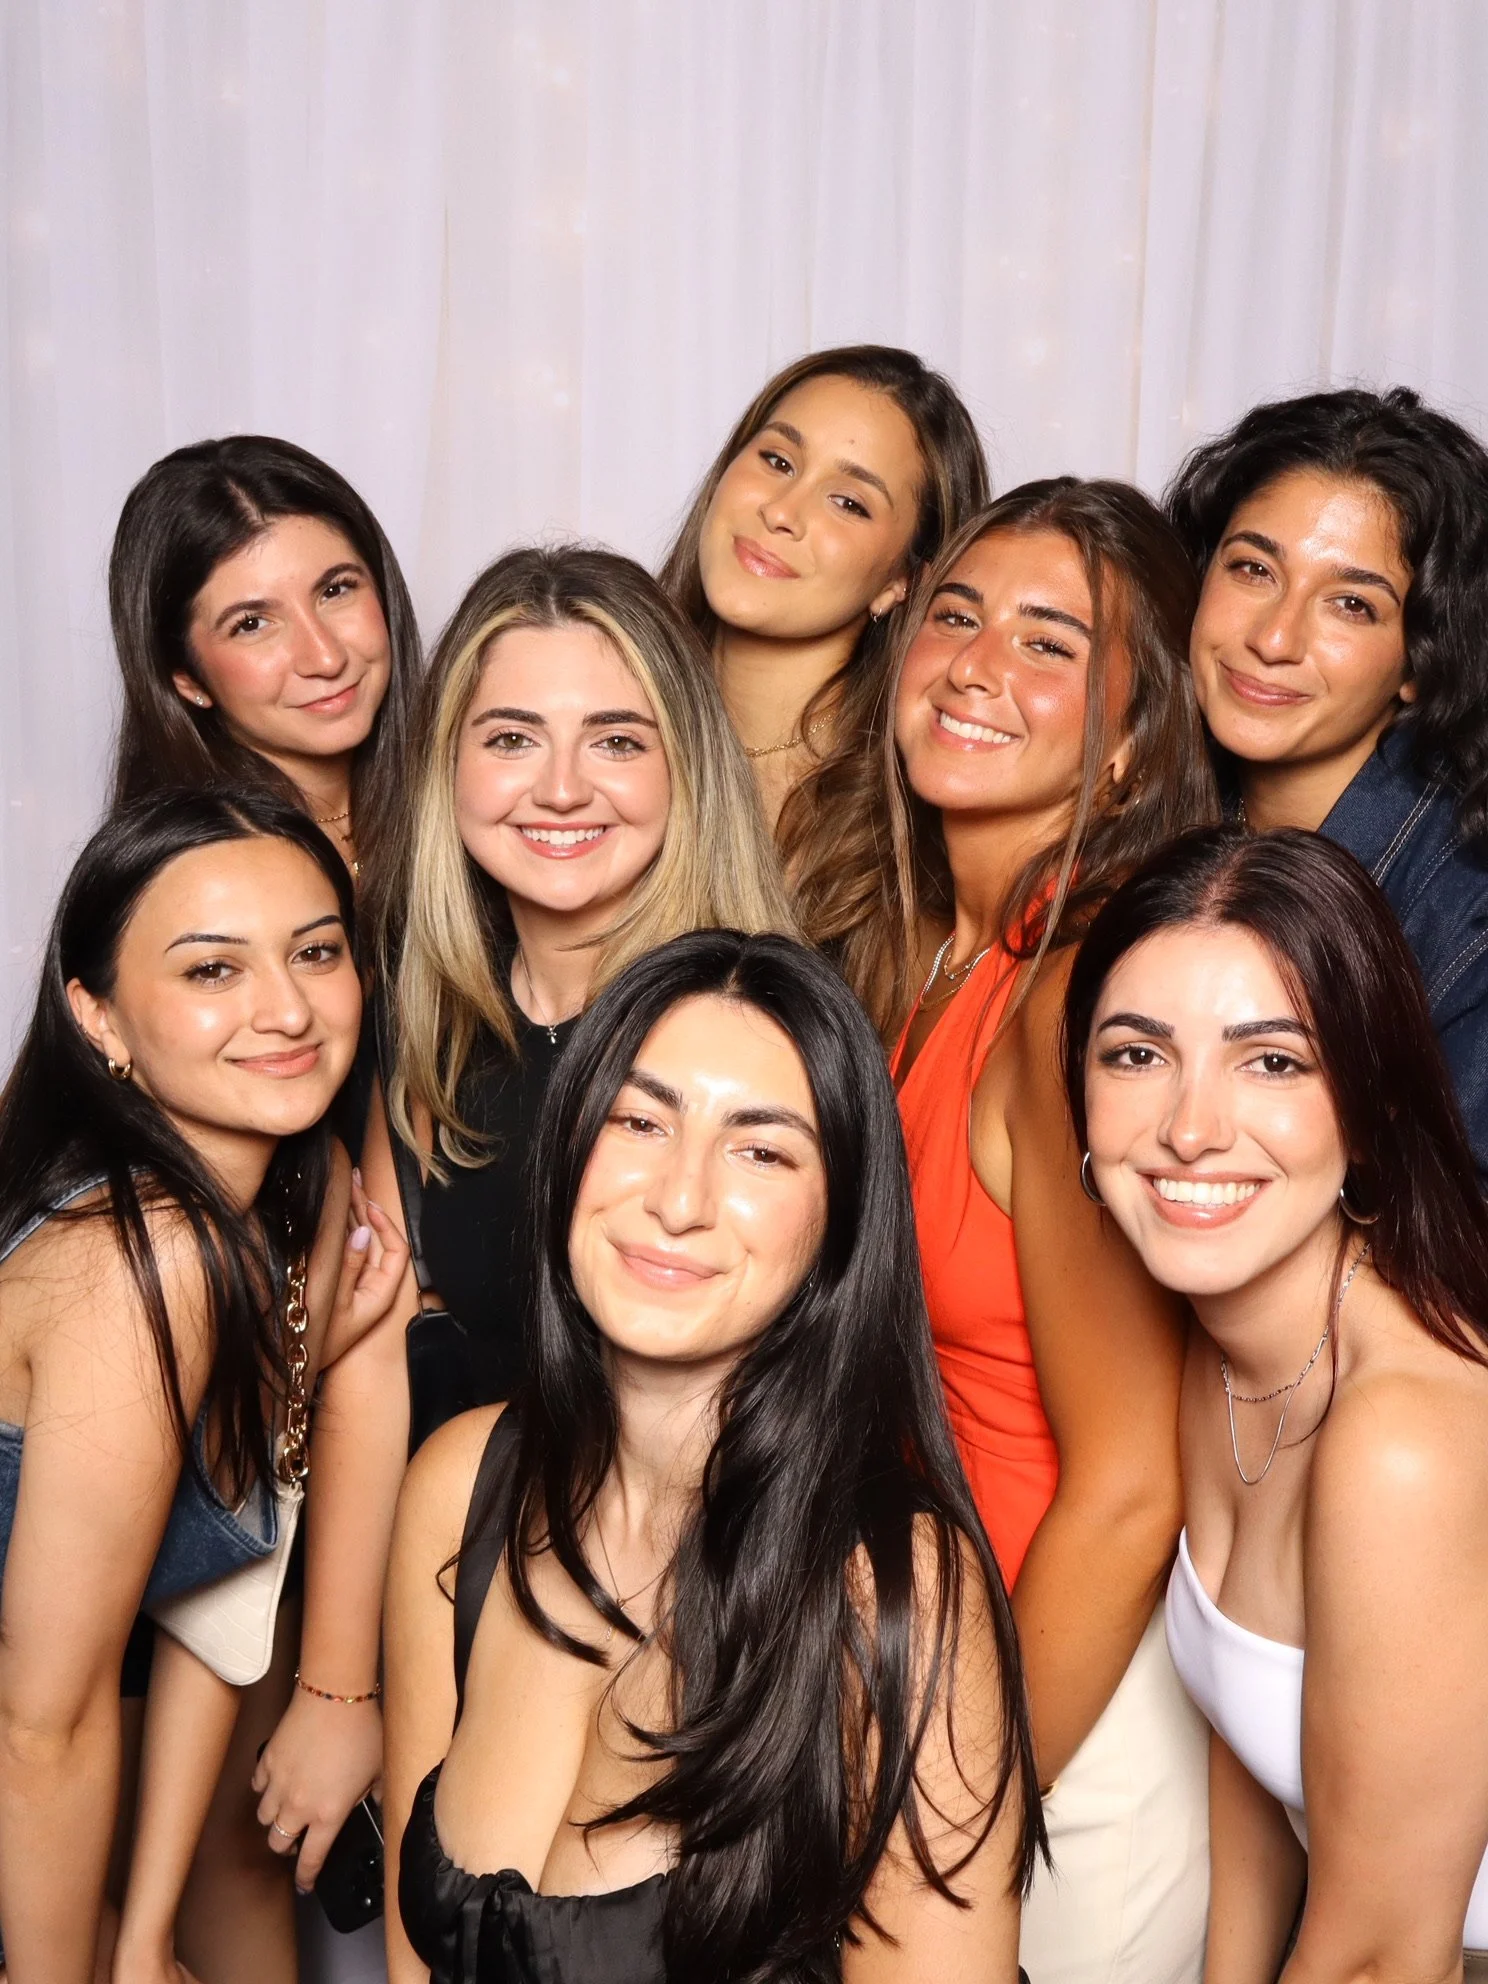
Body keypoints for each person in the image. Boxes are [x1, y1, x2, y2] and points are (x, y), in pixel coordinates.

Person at [252, 546, 794, 1891]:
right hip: (448, 1571)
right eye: (511, 738)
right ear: (449, 770)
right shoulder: (411, 1002)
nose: (560, 789)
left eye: (616, 739)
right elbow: (369, 1343)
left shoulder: (751, 1025)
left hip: (699, 1618)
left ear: (686, 765)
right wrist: (339, 1689)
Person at [384, 929, 1042, 1983]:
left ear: (839, 1224)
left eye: (760, 1149)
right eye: (639, 1120)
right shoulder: (458, 1488)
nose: (678, 1198)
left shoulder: (893, 1595)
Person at [873, 480, 1219, 1981]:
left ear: (1134, 732)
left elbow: (1135, 1484)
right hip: (934, 1688)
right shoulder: (942, 952)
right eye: (957, 615)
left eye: (1049, 643)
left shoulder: (1075, 992)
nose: (975, 664)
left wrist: (958, 1811)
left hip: (1060, 1736)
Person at [0, 788, 407, 1984]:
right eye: (212, 970)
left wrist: (146, 1933)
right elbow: (46, 1717)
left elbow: (218, 1592)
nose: (286, 1010)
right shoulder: (141, 1257)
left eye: (316, 953)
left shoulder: (308, 1185)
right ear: (99, 1017)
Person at [1067, 826, 1488, 1978]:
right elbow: (1259, 1746)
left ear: (1369, 1104)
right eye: (1136, 1055)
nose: (1191, 1128)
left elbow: (1384, 1955)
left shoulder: (1407, 1437)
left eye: (1273, 1062)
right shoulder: (1227, 1342)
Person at [1164, 386, 1488, 1178]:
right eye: (1252, 568)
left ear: (1420, 660)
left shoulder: (1467, 916)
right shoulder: (1152, 815)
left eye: (1350, 604)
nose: (1275, 637)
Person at [659, 346, 987, 1003]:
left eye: (848, 502)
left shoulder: (904, 828)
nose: (781, 511)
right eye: (776, 460)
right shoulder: (596, 723)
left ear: (903, 581)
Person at [108, 433, 422, 926]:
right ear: (185, 677)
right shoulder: (174, 879)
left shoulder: (473, 805)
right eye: (252, 624)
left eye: (336, 590)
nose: (324, 656)